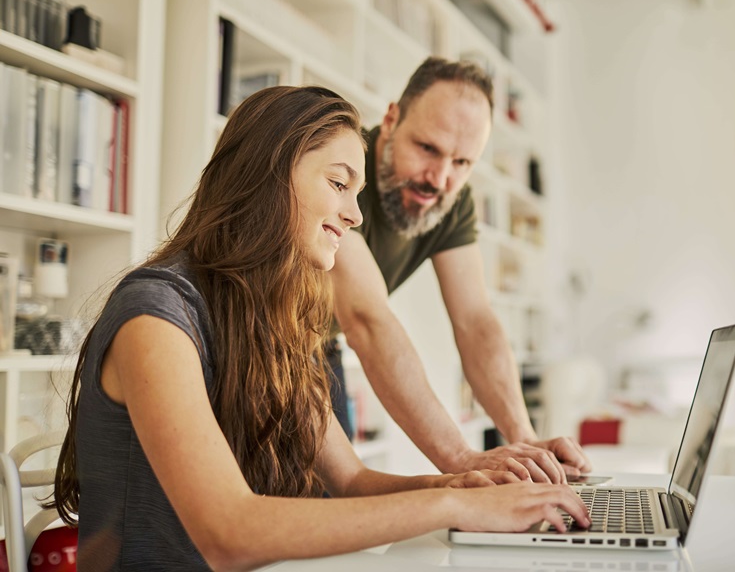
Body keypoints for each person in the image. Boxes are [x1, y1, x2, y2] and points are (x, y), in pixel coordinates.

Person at [50, 86, 590, 571]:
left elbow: (352, 482)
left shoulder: (277, 323)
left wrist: (468, 483)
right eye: (338, 183)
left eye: (357, 192)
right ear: (267, 173)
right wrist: (454, 503)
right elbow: (228, 533)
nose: (355, 216)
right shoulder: (156, 315)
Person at [328, 57, 592, 484]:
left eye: (462, 162)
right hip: (244, 334)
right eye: (427, 149)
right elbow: (366, 320)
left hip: (318, 347)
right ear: (392, 119)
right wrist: (461, 458)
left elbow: (475, 321)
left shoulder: (453, 202)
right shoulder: (343, 169)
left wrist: (523, 439)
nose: (439, 178)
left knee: (327, 509)